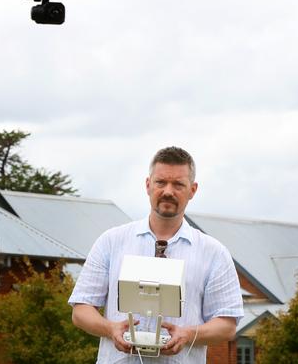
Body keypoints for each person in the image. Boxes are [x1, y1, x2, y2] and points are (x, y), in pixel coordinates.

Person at [69, 147, 244, 363]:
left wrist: (188, 334)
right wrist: (110, 328)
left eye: (178, 184)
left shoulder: (214, 253)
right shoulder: (111, 242)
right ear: (148, 185)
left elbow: (227, 326)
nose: (168, 191)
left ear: (193, 190)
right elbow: (81, 310)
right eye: (161, 182)